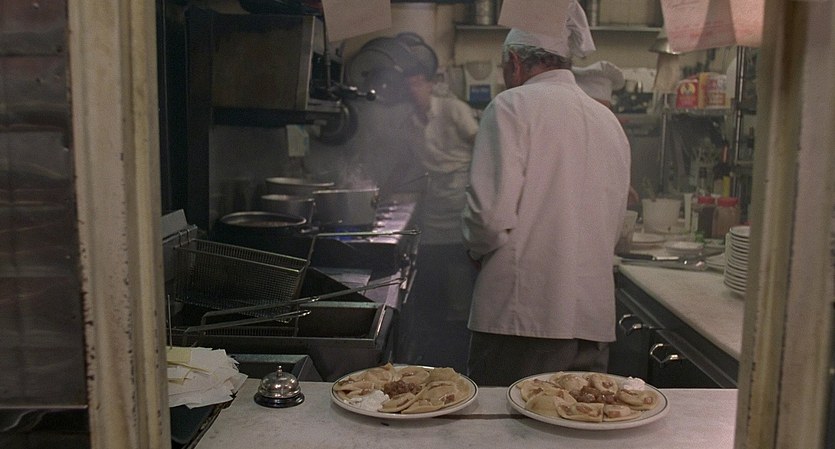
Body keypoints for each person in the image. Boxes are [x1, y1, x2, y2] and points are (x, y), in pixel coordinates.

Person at [461, 0, 632, 386]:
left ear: (515, 62)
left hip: (522, 322)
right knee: (578, 419)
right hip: (591, 325)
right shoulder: (609, 122)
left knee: (508, 420)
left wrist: (474, 249)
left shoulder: (510, 107)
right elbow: (614, 224)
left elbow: (488, 218)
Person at [395, 59, 481, 373]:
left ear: (431, 84)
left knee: (461, 286)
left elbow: (482, 146)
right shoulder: (409, 123)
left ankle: (462, 356)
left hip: (462, 207)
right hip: (433, 212)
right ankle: (435, 355)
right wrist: (387, 188)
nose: (413, 90)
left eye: (418, 83)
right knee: (433, 283)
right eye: (408, 85)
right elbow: (408, 165)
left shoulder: (454, 110)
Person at [573, 61, 641, 207]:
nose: (603, 117)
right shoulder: (567, 134)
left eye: (607, 110)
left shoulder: (614, 134)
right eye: (596, 109)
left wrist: (623, 187)